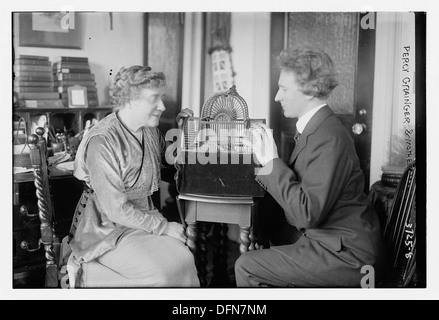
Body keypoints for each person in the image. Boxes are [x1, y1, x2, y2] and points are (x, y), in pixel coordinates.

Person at [235, 49, 386, 287]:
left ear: (310, 90)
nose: (277, 97)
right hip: (328, 239)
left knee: (246, 266)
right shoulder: (316, 128)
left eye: (284, 89)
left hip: (347, 255)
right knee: (268, 231)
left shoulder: (328, 137)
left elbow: (306, 214)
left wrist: (271, 162)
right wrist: (264, 161)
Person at [68, 65, 199, 287]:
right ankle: (84, 275)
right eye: (154, 99)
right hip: (105, 228)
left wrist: (182, 132)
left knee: (185, 259)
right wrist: (163, 227)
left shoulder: (148, 129)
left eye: (162, 98)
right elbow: (115, 209)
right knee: (161, 275)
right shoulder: (102, 141)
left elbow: (166, 162)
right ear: (129, 100)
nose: (162, 106)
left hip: (142, 218)